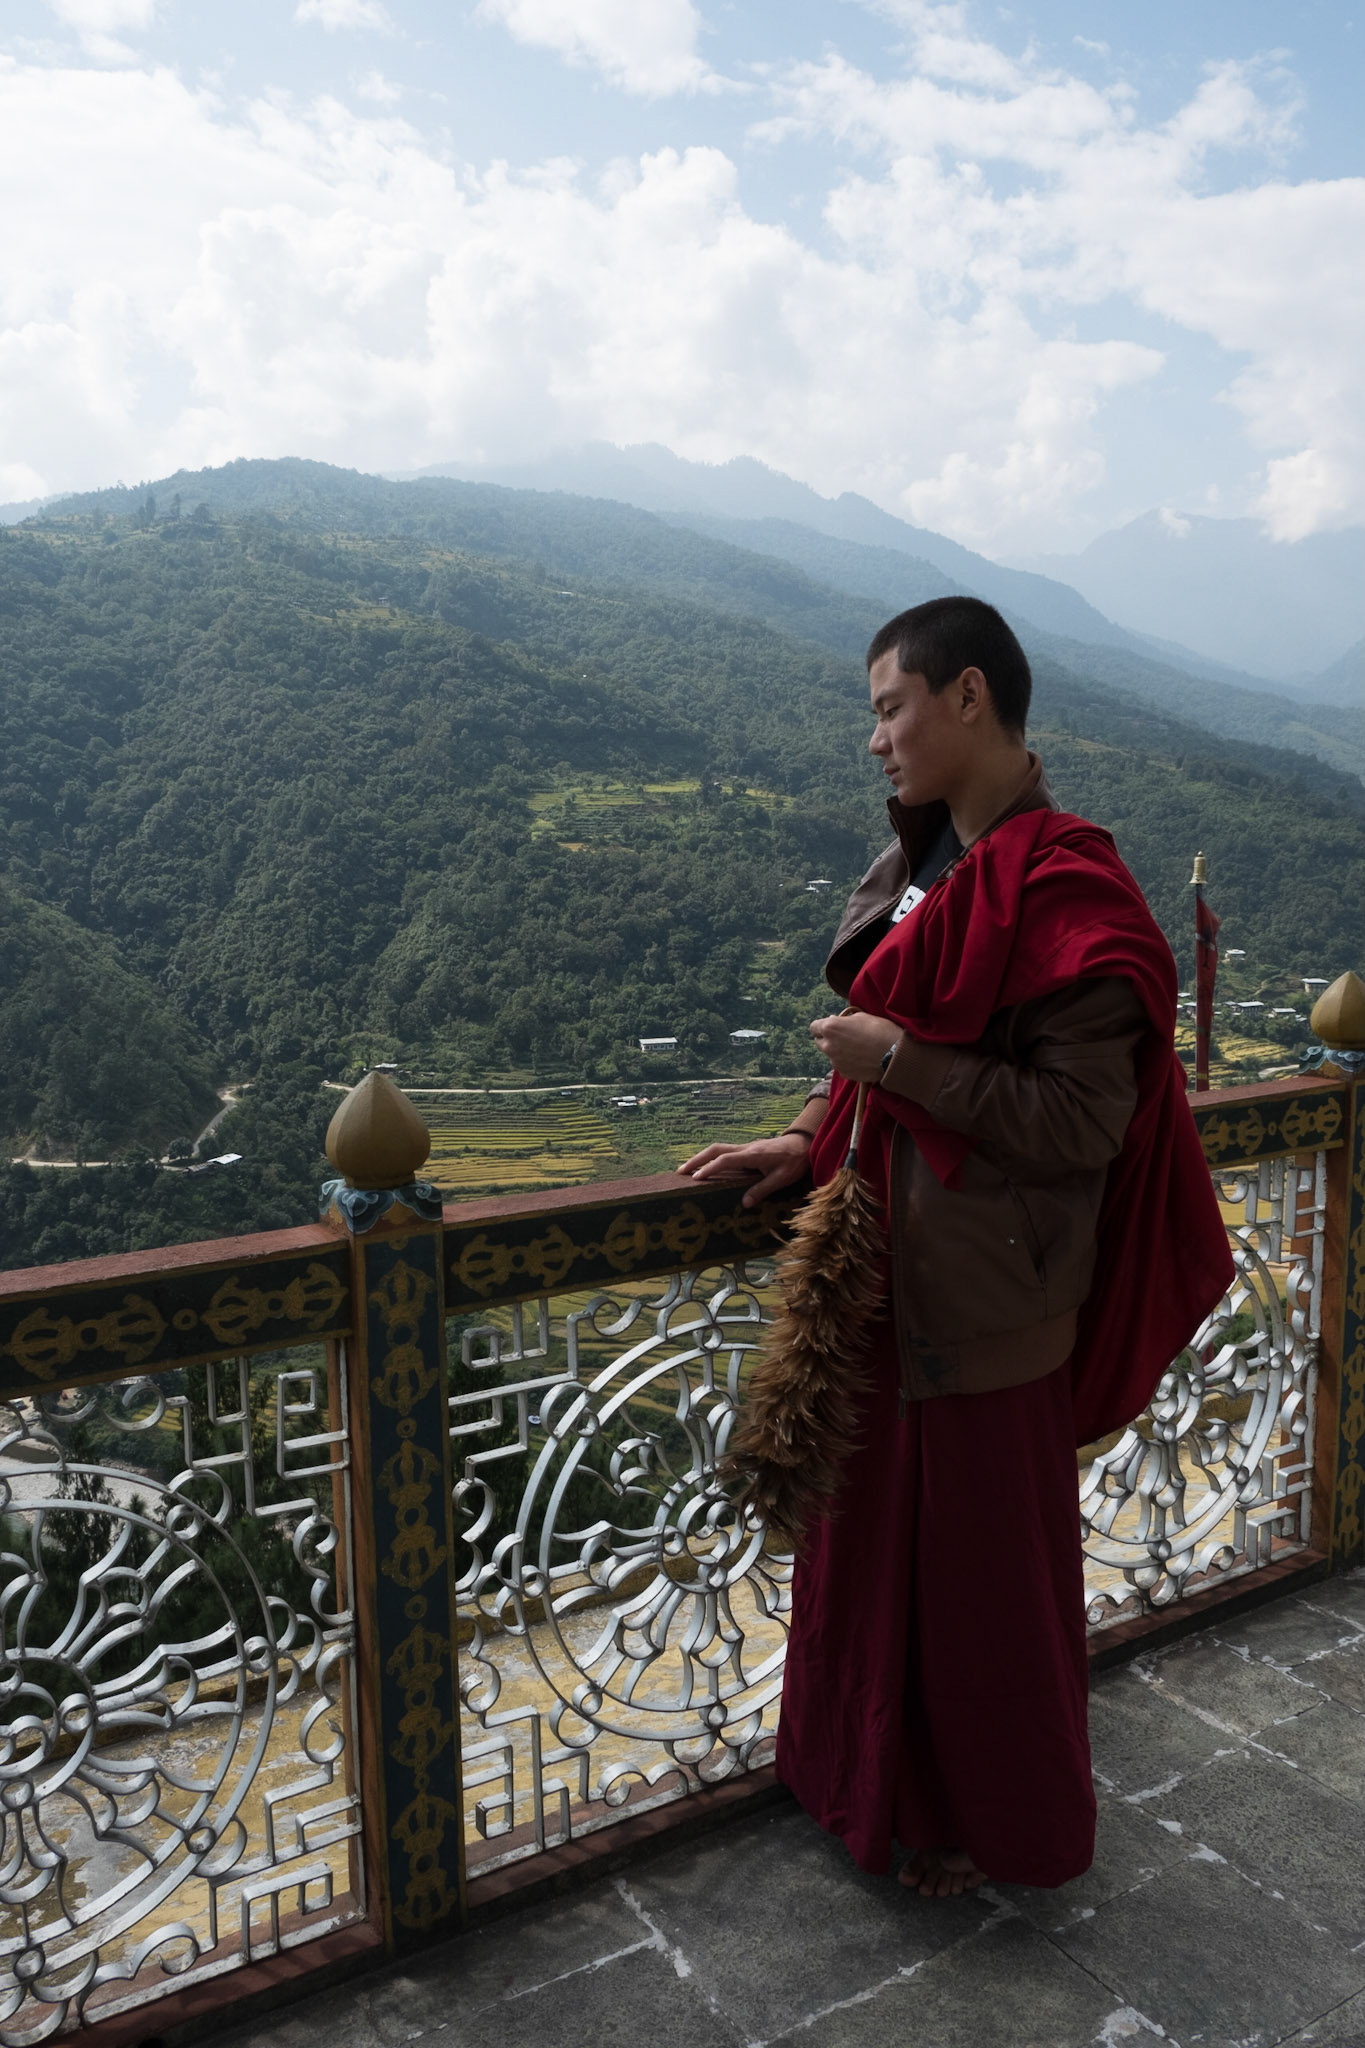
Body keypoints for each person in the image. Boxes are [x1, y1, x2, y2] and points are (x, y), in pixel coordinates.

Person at [679, 596, 1231, 1899]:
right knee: (870, 1565)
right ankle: (866, 1797)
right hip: (879, 1277)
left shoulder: (1066, 883)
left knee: (979, 1597)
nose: (875, 740)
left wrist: (900, 1063)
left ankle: (988, 1826)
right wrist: (810, 1135)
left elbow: (1078, 1120)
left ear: (968, 697)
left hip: (986, 1306)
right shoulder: (931, 866)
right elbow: (881, 1059)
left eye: (890, 706)